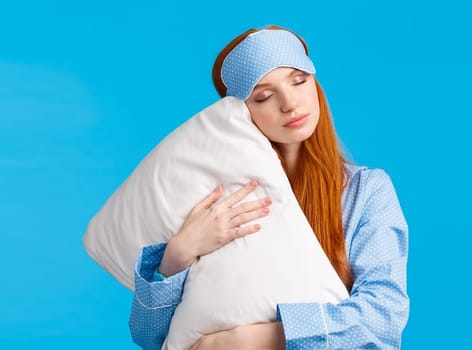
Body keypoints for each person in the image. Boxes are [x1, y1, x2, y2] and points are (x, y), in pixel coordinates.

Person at [127, 25, 409, 349]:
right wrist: (176, 257)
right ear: (237, 114)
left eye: (299, 80)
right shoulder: (218, 200)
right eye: (263, 96)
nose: (290, 103)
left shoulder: (364, 191)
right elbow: (148, 337)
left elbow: (383, 317)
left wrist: (245, 340)